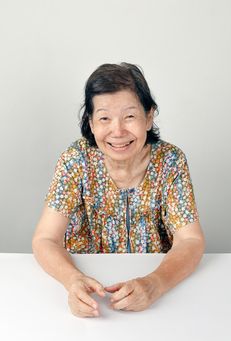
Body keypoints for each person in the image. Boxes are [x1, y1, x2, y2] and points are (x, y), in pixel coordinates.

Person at [32, 62, 205, 318]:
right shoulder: (76, 160)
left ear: (149, 117)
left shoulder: (171, 161)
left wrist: (156, 283)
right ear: (90, 123)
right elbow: (44, 239)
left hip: (155, 289)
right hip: (93, 290)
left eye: (130, 116)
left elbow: (191, 240)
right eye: (104, 118)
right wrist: (72, 280)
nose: (118, 131)